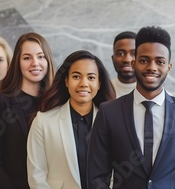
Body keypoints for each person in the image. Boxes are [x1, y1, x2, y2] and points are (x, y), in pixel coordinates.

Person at [88, 26, 175, 189]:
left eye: (160, 62)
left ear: (169, 67)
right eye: (144, 60)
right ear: (134, 63)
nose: (152, 67)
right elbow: (96, 178)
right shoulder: (108, 112)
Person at [27, 50, 115, 189]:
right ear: (66, 81)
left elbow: (117, 173)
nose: (83, 83)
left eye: (91, 78)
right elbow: (36, 176)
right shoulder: (43, 122)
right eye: (76, 76)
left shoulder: (113, 122)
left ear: (99, 83)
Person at [0, 32, 55, 189]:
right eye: (27, 58)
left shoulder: (57, 104)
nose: (35, 63)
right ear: (17, 62)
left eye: (40, 56)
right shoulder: (0, 102)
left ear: (48, 60)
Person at [111, 31, 137, 97]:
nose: (127, 60)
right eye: (120, 54)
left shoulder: (156, 95)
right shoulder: (101, 91)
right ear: (113, 58)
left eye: (133, 53)